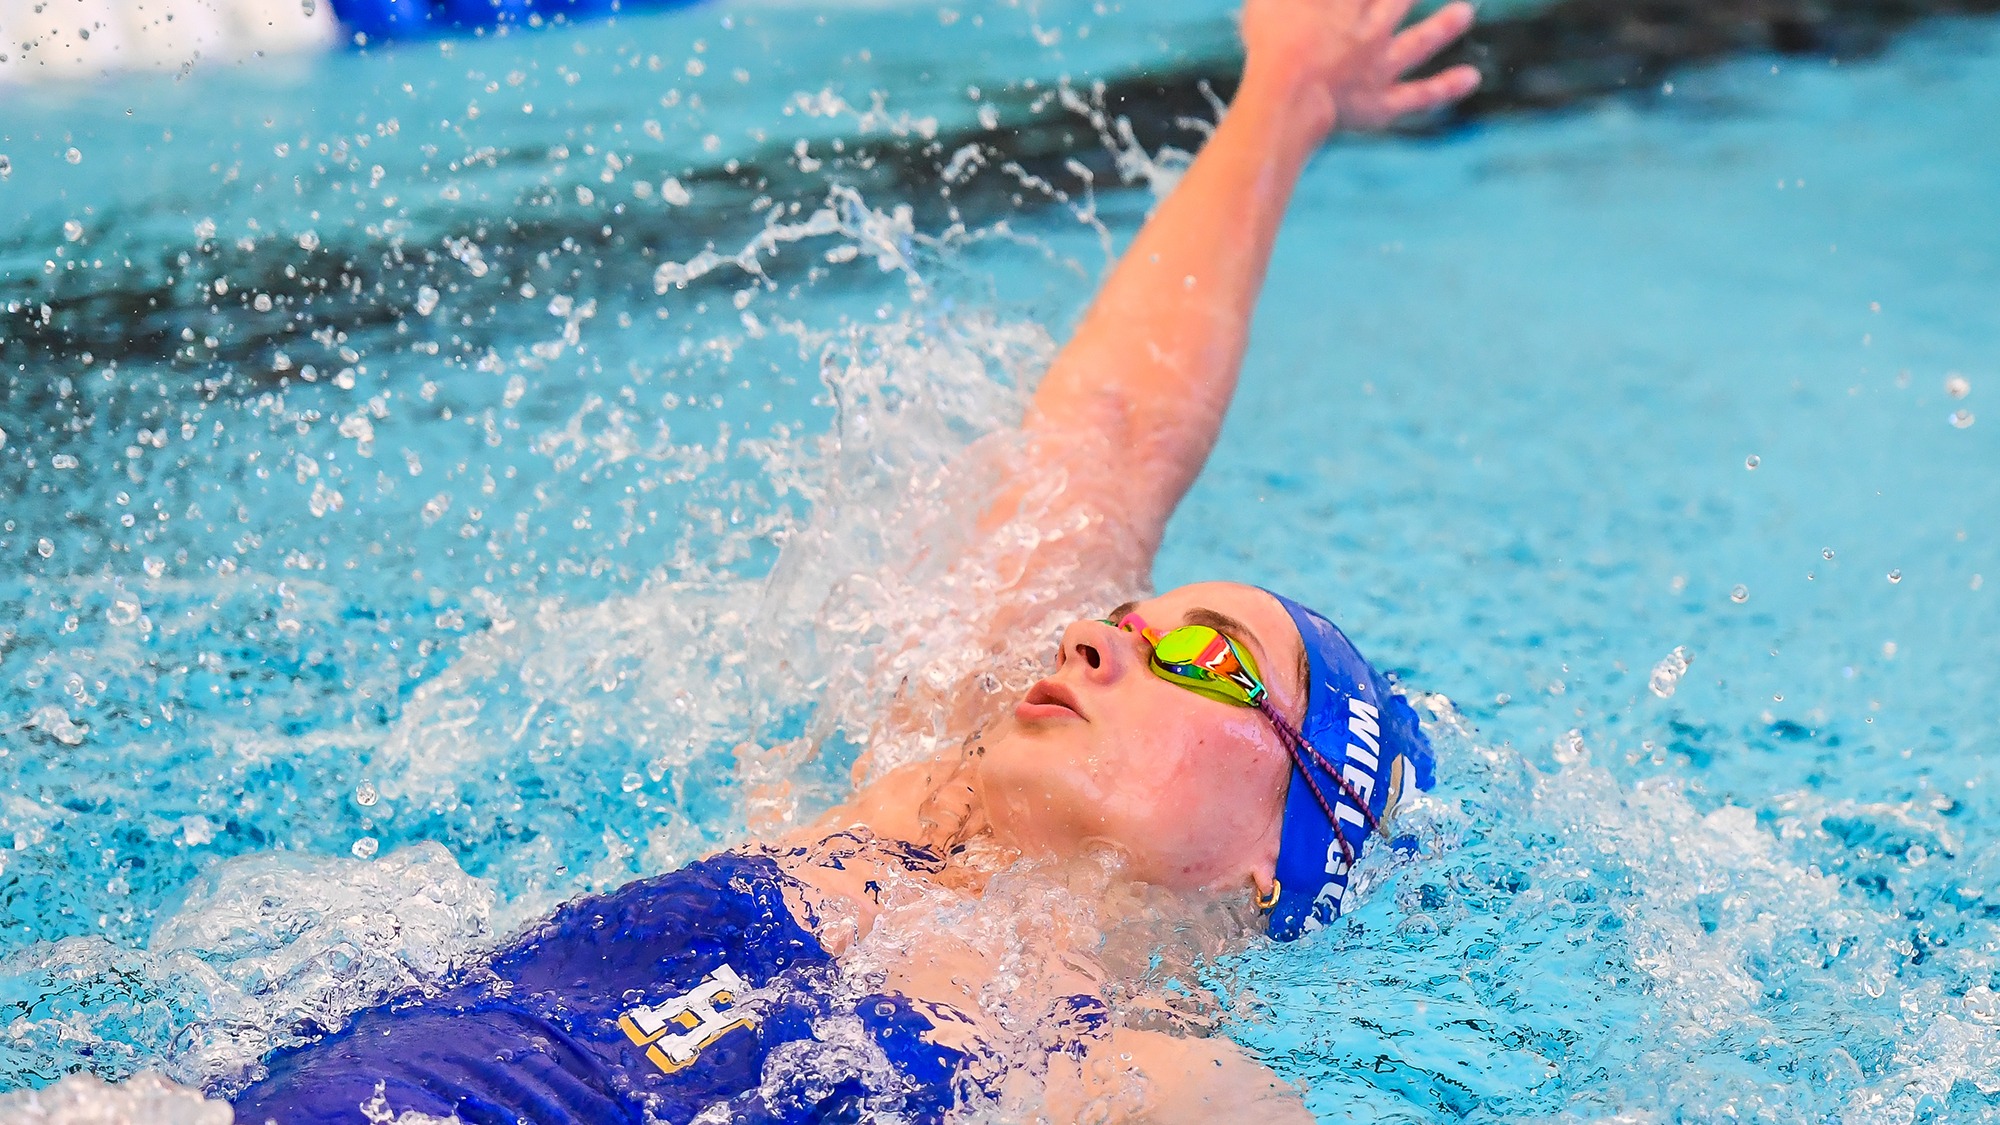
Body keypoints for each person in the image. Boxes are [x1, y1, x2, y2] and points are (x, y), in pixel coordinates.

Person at [228, 0, 1480, 1121]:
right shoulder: (918, 805)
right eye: (1120, 618)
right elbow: (1108, 440)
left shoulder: (1151, 1084)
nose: (1096, 638)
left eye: (1203, 657)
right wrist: (1285, 93)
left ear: (1282, 854)